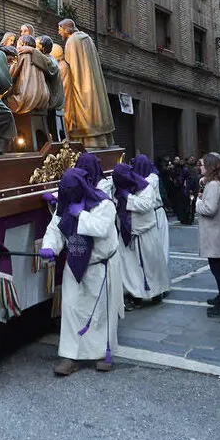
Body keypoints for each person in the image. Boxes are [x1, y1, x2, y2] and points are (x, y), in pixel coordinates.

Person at [39, 168, 120, 376]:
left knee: (100, 312)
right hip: (74, 265)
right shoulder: (66, 205)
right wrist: (50, 247)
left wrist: (81, 215)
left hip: (98, 266)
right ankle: (70, 355)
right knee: (71, 308)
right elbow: (55, 229)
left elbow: (101, 228)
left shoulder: (104, 204)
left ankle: (102, 353)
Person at [110, 163, 168, 309]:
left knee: (151, 265)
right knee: (131, 268)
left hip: (146, 232)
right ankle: (135, 295)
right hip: (127, 234)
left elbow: (147, 205)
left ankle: (156, 292)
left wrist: (128, 198)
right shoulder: (116, 188)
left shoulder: (145, 186)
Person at [57, 19, 115, 147]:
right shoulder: (87, 38)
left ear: (66, 29)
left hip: (81, 83)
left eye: (60, 29)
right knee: (96, 109)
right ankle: (101, 138)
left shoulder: (72, 41)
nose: (59, 32)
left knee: (85, 111)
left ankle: (89, 140)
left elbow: (71, 67)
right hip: (92, 82)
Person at [195, 153, 220, 316]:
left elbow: (209, 209)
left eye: (203, 164)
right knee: (219, 269)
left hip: (215, 233)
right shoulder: (218, 183)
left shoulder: (214, 185)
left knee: (218, 269)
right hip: (219, 231)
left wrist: (198, 202)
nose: (200, 167)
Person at [130, 155, 169, 262]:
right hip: (148, 215)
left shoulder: (152, 178)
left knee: (161, 245)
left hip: (157, 213)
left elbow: (144, 184)